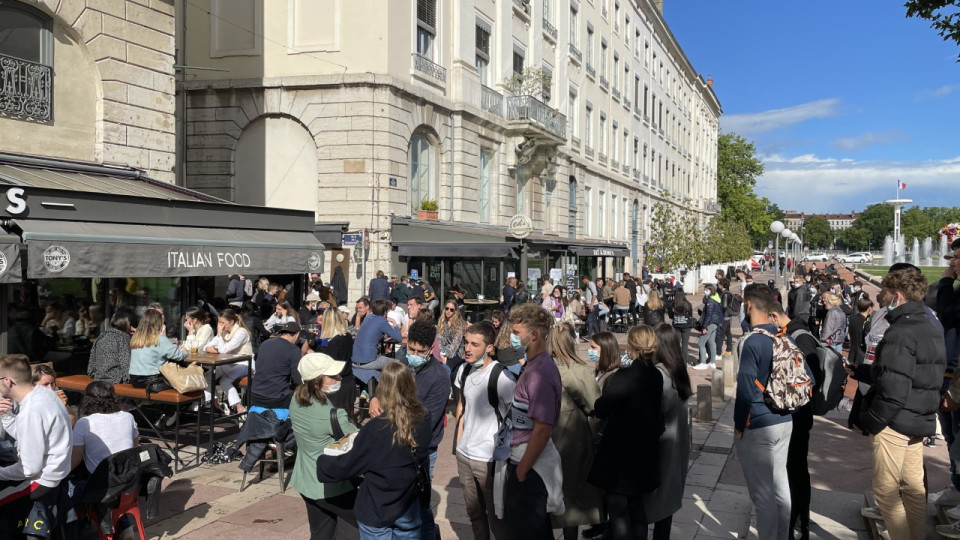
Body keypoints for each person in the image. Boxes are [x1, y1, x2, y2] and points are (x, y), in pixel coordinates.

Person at [861, 268, 945, 540]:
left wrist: (873, 420)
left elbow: (893, 388)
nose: (880, 297)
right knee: (913, 487)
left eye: (884, 292)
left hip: (896, 421)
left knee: (886, 490)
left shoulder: (901, 331)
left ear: (896, 295)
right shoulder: (930, 325)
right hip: (918, 418)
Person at [317, 362, 432, 539]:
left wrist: (322, 463)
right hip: (408, 502)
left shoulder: (376, 429)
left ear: (382, 389)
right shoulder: (423, 417)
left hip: (377, 508)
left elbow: (348, 464)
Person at [369, 320, 450, 540]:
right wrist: (376, 397)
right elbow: (386, 386)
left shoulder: (439, 376)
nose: (413, 354)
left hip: (421, 449)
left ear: (430, 350)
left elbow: (428, 422)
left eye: (419, 351)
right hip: (395, 441)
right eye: (411, 348)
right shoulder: (403, 361)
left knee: (419, 505)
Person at [588, 325, 663, 540]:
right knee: (637, 507)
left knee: (618, 508)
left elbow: (602, 407)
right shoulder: (655, 374)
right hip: (645, 449)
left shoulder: (627, 375)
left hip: (621, 453)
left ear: (632, 346)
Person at [735, 284, 798, 540]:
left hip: (758, 423)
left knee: (762, 494)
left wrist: (739, 425)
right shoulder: (784, 337)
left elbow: (746, 390)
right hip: (785, 419)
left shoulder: (752, 342)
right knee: (780, 486)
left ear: (748, 304)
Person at [499, 303, 564, 539]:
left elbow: (543, 429)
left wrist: (522, 471)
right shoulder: (533, 366)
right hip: (523, 460)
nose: (513, 338)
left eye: (517, 333)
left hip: (530, 466)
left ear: (534, 335)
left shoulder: (540, 373)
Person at [453, 322, 515, 540]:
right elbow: (462, 405)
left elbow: (514, 418)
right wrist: (459, 443)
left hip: (487, 459)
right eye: (466, 342)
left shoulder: (502, 378)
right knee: (474, 514)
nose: (467, 348)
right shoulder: (463, 369)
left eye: (474, 344)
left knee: (497, 518)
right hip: (465, 455)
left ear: (489, 347)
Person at [0, 354, 72, 538]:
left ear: (8, 381)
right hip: (56, 470)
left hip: (42, 479)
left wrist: (1, 472)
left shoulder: (31, 411)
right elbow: (26, 433)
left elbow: (29, 469)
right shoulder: (44, 394)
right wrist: (6, 415)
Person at [289, 352, 358, 539]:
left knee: (321, 532)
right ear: (317, 381)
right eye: (332, 376)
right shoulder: (334, 414)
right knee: (364, 523)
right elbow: (359, 442)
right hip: (331, 486)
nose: (339, 378)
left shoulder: (296, 400)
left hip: (305, 479)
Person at [768, 301, 820, 540]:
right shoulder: (792, 334)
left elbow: (811, 378)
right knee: (791, 469)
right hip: (795, 414)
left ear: (775, 316)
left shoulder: (800, 338)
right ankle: (794, 519)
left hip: (798, 416)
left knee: (796, 471)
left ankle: (799, 521)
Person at [548, 323, 604, 540]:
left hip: (544, 438)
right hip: (572, 439)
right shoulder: (578, 370)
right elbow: (594, 405)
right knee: (571, 497)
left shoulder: (541, 366)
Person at [646, 324, 693, 539]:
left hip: (663, 444)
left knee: (657, 499)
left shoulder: (660, 376)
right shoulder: (677, 370)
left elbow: (655, 410)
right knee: (668, 499)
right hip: (677, 442)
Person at [70, 381, 138, 474]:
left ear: (87, 401)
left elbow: (75, 461)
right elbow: (134, 447)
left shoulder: (84, 422)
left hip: (100, 478)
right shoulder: (128, 416)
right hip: (127, 473)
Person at [204, 308, 255, 414]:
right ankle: (217, 404)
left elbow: (224, 349)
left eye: (223, 322)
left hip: (244, 364)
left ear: (231, 322)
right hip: (228, 363)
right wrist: (216, 345)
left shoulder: (241, 333)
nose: (220, 325)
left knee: (224, 381)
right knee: (206, 378)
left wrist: (218, 336)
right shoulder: (224, 332)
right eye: (219, 322)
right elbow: (206, 347)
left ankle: (239, 408)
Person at [128, 309, 187, 390]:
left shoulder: (136, 339)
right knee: (182, 381)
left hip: (134, 380)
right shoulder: (160, 339)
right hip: (153, 381)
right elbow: (179, 356)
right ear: (158, 323)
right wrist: (184, 351)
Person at [351, 299, 403, 374]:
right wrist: (395, 324)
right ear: (385, 312)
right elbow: (399, 338)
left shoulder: (368, 318)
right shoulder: (382, 321)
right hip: (368, 361)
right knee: (400, 363)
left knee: (384, 356)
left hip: (354, 360)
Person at [87, 311, 134, 384]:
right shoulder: (123, 338)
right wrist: (128, 381)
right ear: (126, 324)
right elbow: (126, 364)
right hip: (116, 381)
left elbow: (91, 367)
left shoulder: (100, 337)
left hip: (98, 380)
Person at [695, 284, 723, 370]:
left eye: (706, 290)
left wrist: (704, 327)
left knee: (701, 343)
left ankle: (703, 363)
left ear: (711, 291)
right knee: (711, 342)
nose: (704, 291)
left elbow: (708, 315)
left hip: (710, 323)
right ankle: (712, 362)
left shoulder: (710, 301)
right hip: (715, 323)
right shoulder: (716, 299)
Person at [670, 296, 696, 365]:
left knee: (676, 344)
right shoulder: (688, 304)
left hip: (677, 325)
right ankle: (684, 362)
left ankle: (676, 360)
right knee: (685, 344)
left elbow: (670, 315)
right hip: (686, 326)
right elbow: (690, 314)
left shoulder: (673, 304)